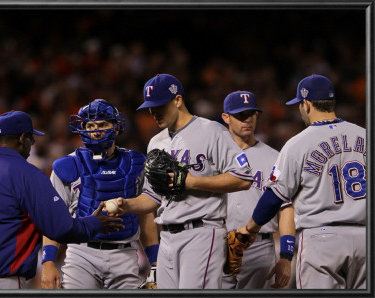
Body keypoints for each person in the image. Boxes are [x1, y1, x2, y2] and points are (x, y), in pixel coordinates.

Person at [106, 73, 253, 289]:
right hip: (166, 236)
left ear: (178, 100)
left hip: (201, 232)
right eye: (150, 107)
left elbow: (242, 177)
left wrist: (191, 182)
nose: (153, 112)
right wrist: (126, 205)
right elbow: (152, 197)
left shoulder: (211, 131)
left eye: (159, 106)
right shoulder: (156, 142)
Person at [237, 74, 366, 289]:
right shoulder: (364, 136)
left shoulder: (298, 144)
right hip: (365, 237)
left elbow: (273, 197)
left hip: (322, 240)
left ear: (306, 104)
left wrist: (251, 228)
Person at [0, 110, 125, 290]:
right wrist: (95, 223)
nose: (33, 142)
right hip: (2, 279)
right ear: (21, 138)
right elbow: (60, 227)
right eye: (30, 137)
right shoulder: (28, 174)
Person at [40, 99, 159, 289]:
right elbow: (54, 219)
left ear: (116, 127)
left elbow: (145, 216)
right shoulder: (67, 166)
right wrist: (48, 262)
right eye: (90, 125)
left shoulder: (136, 164)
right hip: (81, 253)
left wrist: (155, 263)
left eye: (103, 124)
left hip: (125, 253)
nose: (96, 130)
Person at [220, 91, 295, 289]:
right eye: (240, 115)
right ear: (226, 117)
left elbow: (285, 208)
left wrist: (286, 257)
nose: (247, 120)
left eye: (251, 114)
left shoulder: (275, 158)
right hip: (218, 243)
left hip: (259, 247)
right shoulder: (214, 155)